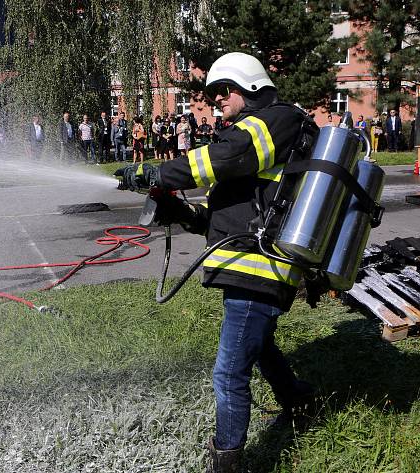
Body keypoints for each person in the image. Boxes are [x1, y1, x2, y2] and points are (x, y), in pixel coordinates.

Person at [114, 52, 316, 473]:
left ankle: (225, 463)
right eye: (213, 93)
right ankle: (299, 403)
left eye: (224, 90)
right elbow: (224, 217)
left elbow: (218, 159)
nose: (217, 99)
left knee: (228, 375)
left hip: (259, 267)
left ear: (252, 86)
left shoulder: (277, 121)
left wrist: (157, 173)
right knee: (258, 348)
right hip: (249, 263)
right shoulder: (252, 141)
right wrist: (182, 213)